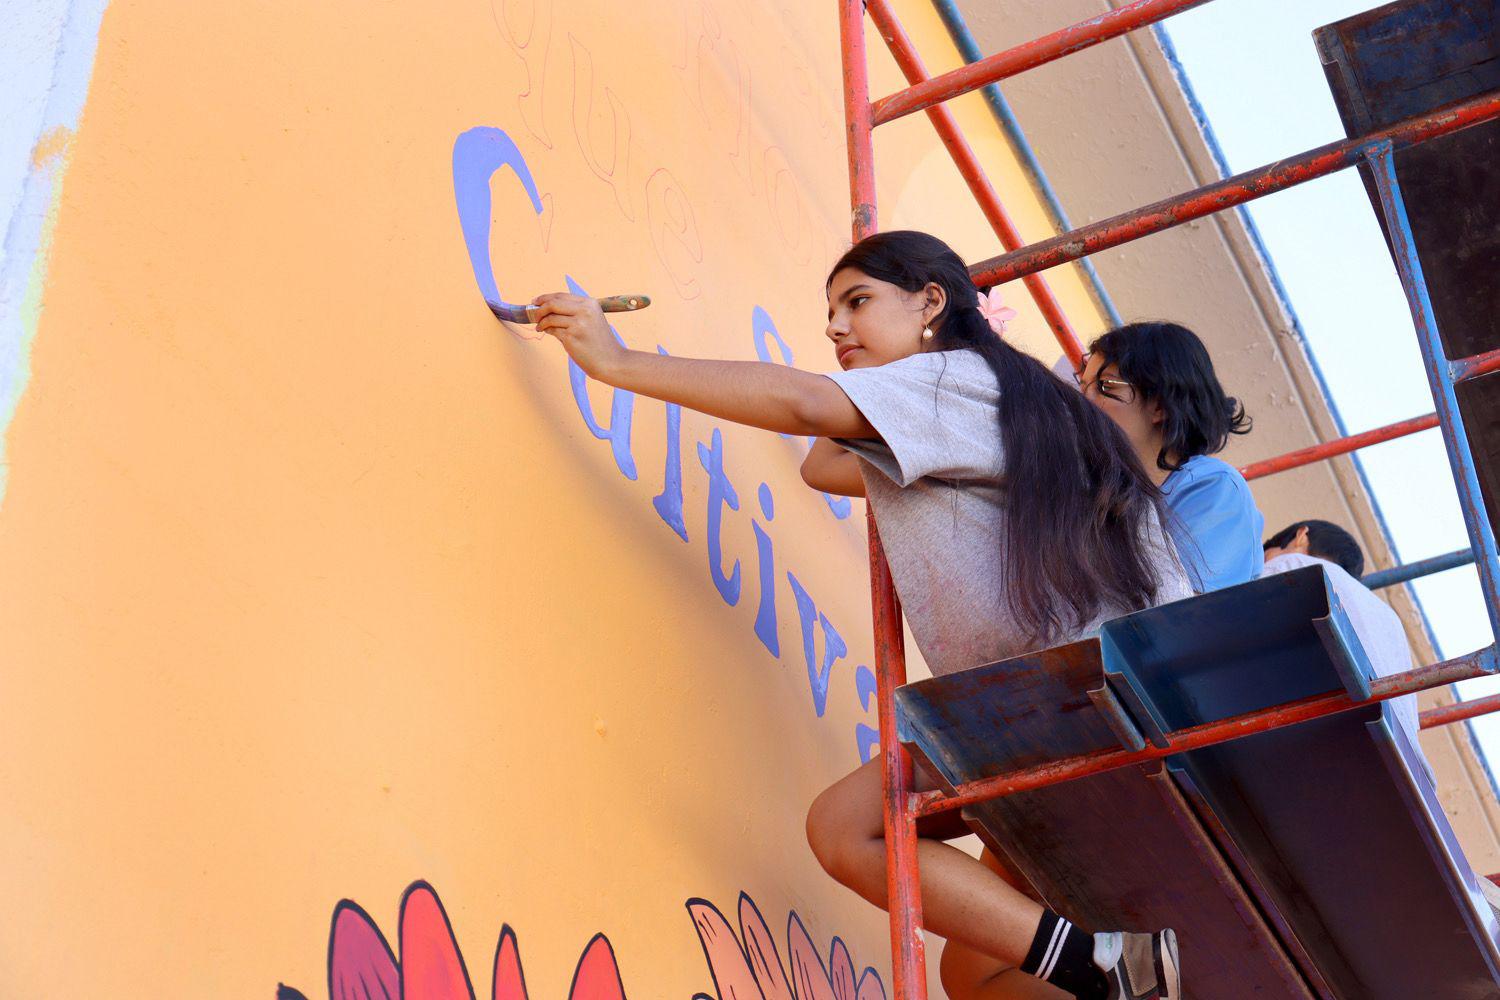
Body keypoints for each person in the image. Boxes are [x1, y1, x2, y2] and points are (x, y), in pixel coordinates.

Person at [530, 230, 1190, 1000]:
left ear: (931, 302)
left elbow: (806, 404)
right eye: (831, 312)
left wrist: (617, 362)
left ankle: (1108, 966)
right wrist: (869, 373)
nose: (835, 326)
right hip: (1094, 694)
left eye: (858, 302)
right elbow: (824, 463)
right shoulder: (1007, 396)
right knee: (973, 975)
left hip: (1056, 694)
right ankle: (1118, 972)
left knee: (847, 830)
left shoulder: (959, 378)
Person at [1075, 322, 1263, 593]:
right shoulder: (1096, 486)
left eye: (1106, 386)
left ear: (1160, 405)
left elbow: (1177, 607)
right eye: (1083, 388)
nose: (1083, 402)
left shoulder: (1213, 488)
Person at [1261, 520, 1423, 756]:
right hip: (1394, 754)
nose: (1263, 562)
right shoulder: (1391, 621)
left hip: (1307, 728)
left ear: (1301, 536)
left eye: (1267, 553)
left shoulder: (1293, 563)